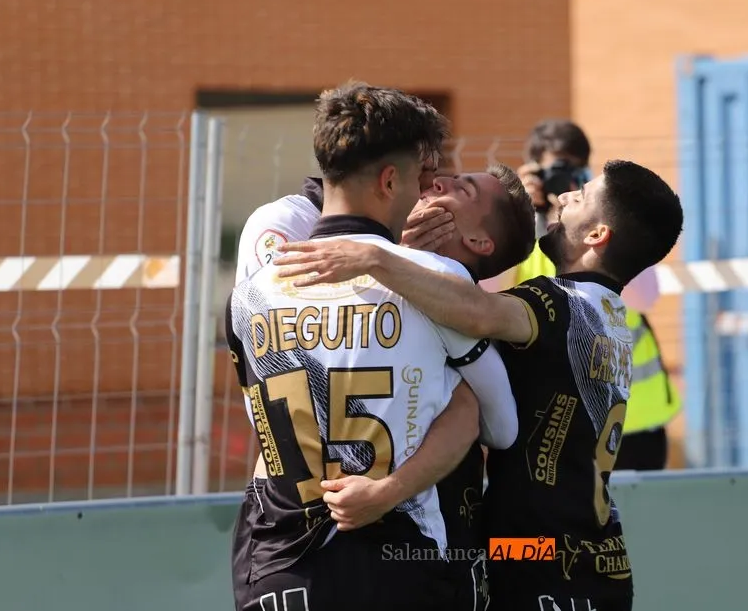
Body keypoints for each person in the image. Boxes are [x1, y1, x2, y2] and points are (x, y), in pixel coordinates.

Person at [274, 159, 685, 611]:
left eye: (582, 195)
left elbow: (475, 312)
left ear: (597, 235)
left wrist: (373, 256)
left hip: (542, 560)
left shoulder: (559, 304)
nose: (566, 195)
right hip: (592, 556)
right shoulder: (610, 316)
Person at [226, 81, 524, 611]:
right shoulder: (436, 281)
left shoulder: (251, 290)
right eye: (421, 177)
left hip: (279, 553)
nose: (428, 188)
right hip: (399, 554)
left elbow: (262, 411)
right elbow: (500, 425)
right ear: (390, 180)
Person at [490, 118, 683, 472]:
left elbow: (645, 295)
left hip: (632, 419)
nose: (565, 188)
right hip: (552, 425)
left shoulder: (607, 221)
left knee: (627, 507)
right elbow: (484, 293)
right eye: (555, 171)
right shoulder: (527, 233)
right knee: (562, 506)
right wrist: (520, 213)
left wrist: (603, 219)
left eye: (576, 172)